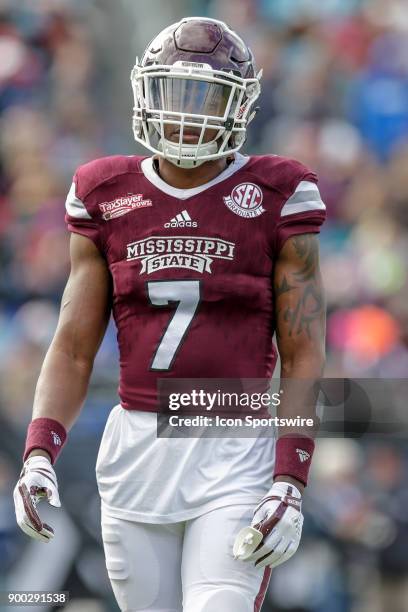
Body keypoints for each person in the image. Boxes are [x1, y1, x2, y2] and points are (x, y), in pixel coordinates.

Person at [13, 17, 326, 612]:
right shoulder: (104, 193)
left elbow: (304, 350)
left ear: (239, 104)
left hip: (236, 443)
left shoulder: (277, 193)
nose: (188, 113)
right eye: (175, 93)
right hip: (137, 450)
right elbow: (74, 347)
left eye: (205, 96)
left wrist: (290, 476)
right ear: (145, 95)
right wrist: (38, 450)